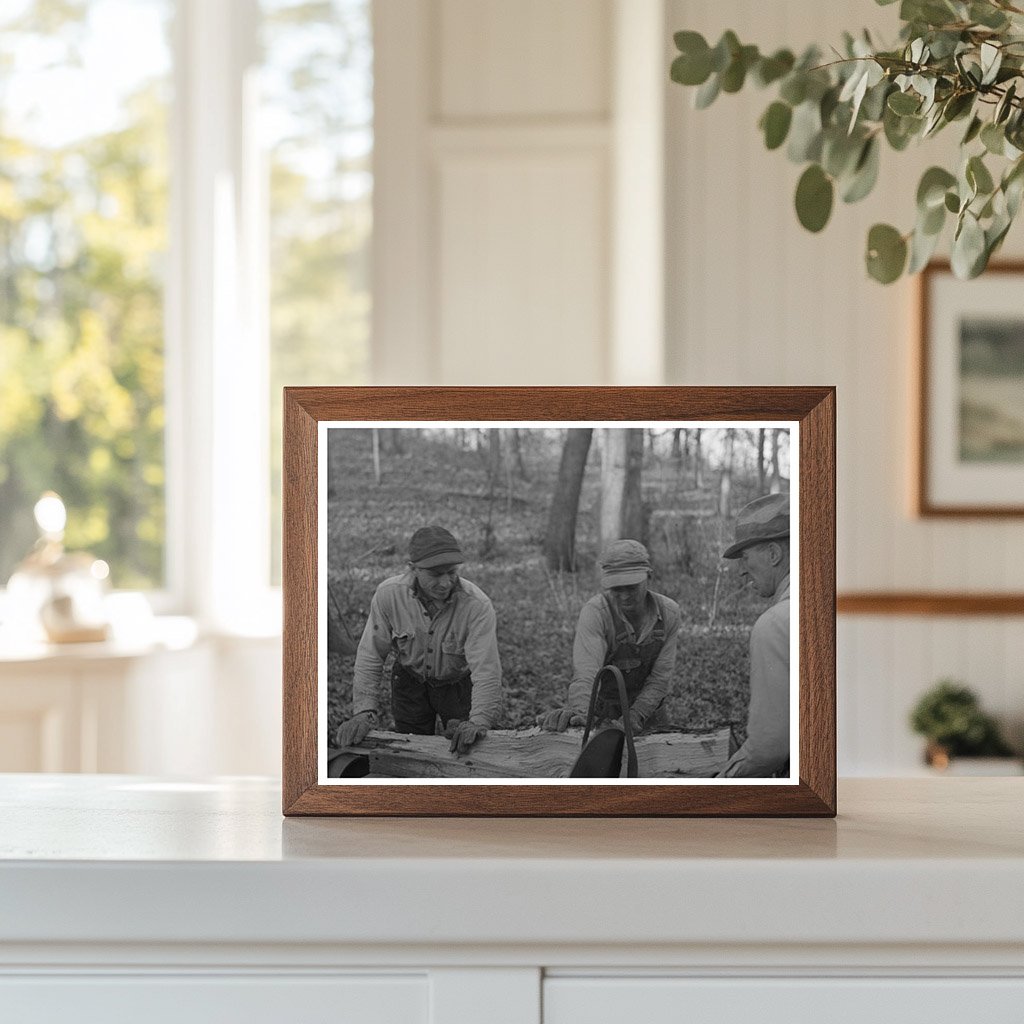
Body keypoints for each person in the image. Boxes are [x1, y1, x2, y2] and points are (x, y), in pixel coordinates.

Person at [335, 525, 502, 755]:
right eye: (435, 574)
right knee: (410, 749)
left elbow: (487, 670)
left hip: (458, 685)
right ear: (413, 569)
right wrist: (364, 712)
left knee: (468, 751)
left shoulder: (477, 606)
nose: (445, 583)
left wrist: (479, 721)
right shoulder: (388, 595)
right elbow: (370, 656)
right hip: (409, 682)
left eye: (452, 572)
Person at [541, 539, 681, 735]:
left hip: (649, 713)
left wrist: (636, 715)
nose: (624, 596)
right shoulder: (596, 612)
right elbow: (586, 672)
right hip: (602, 712)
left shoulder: (669, 614)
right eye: (616, 589)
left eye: (631, 587)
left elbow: (659, 678)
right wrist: (581, 712)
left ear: (650, 577)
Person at [715, 492, 791, 778]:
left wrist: (721, 784)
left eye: (745, 558)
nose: (742, 572)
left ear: (774, 554)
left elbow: (768, 748)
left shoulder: (775, 623)